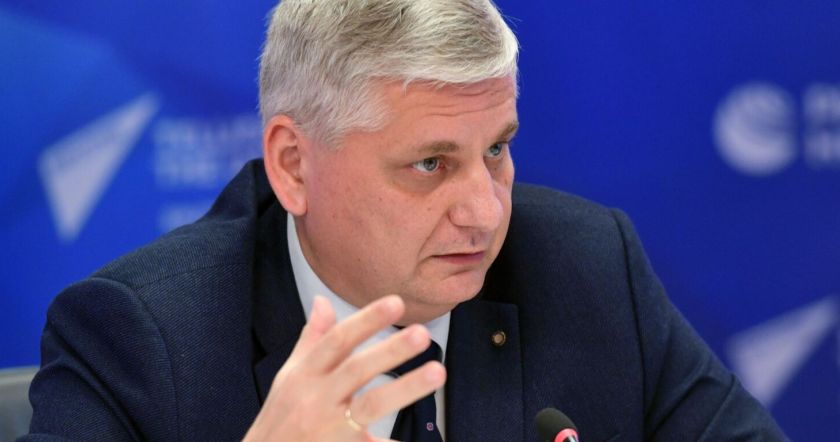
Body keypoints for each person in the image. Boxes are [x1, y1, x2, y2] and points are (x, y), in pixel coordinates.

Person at [23, 1, 786, 441]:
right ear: (293, 165)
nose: (486, 211)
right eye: (430, 164)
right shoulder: (144, 340)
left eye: (497, 150)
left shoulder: (586, 267)